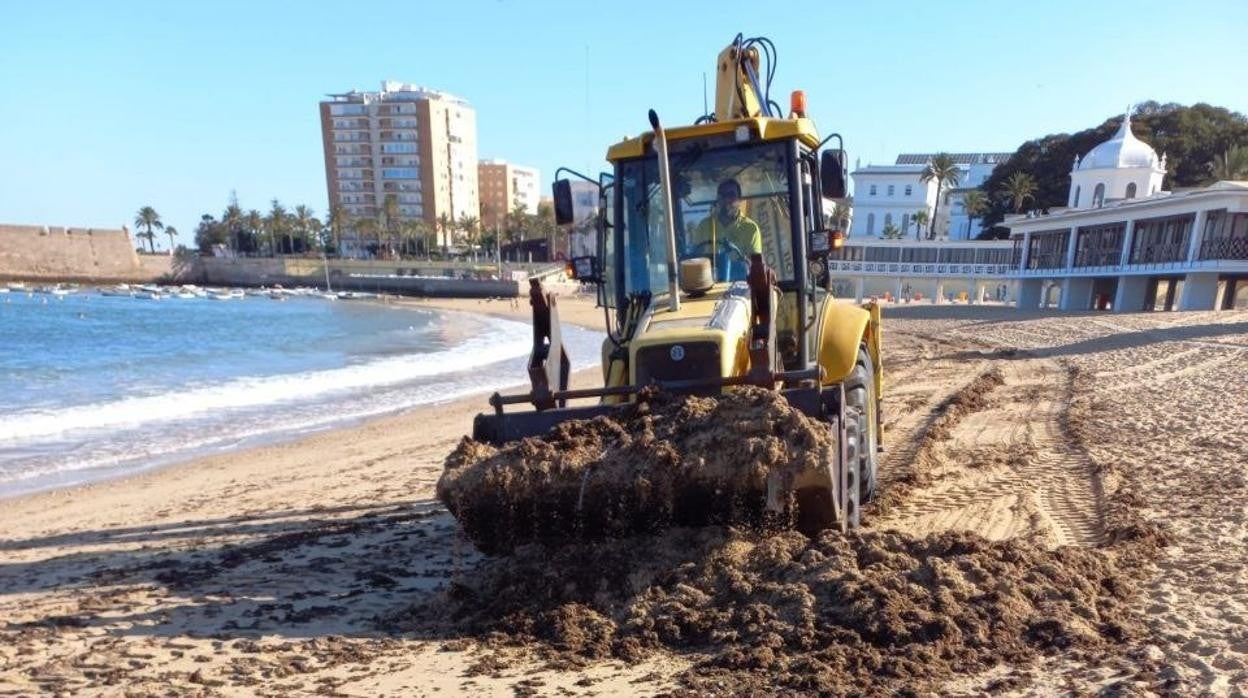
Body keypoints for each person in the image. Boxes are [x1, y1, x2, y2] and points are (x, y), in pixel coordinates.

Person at [688, 179, 762, 261]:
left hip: (741, 273)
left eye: (731, 195)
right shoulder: (704, 225)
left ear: (739, 199)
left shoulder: (750, 228)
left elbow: (756, 265)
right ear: (718, 199)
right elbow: (695, 259)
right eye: (723, 195)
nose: (727, 200)